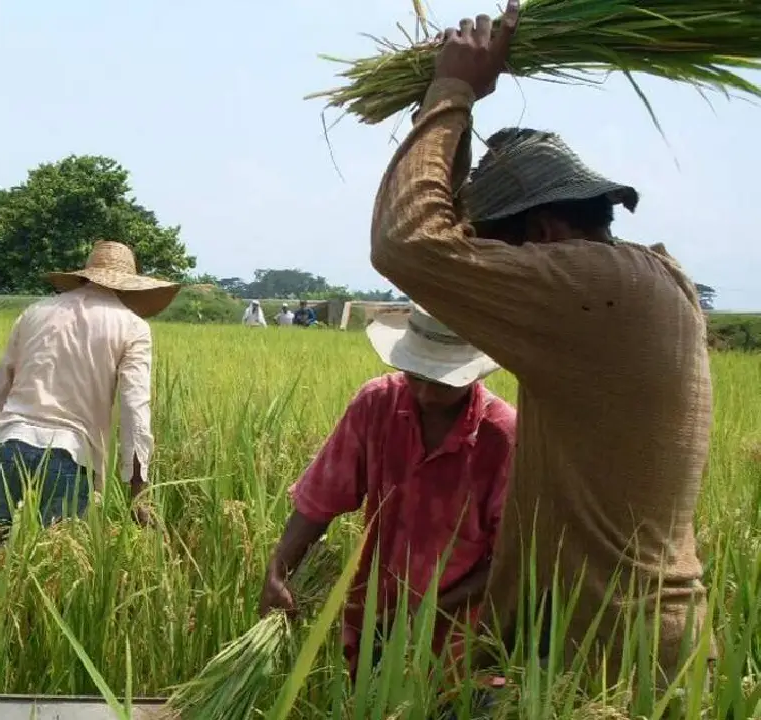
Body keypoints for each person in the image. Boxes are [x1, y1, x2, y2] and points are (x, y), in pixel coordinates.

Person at [367, 0, 712, 684]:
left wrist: (453, 88)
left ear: (546, 234)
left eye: (499, 254)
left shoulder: (591, 287)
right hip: (608, 638)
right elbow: (447, 245)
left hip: (611, 652)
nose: (488, 277)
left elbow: (407, 243)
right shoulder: (641, 285)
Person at [258, 304, 514, 679]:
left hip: (460, 640)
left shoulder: (503, 436)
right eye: (415, 375)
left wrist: (425, 613)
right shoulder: (376, 404)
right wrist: (279, 570)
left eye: (442, 381)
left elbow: (512, 560)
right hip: (373, 619)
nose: (425, 393)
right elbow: (319, 499)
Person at [0, 240, 179, 542]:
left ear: (83, 276)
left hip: (8, 442)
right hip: (71, 455)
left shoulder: (35, 312)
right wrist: (137, 490)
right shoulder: (133, 327)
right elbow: (134, 410)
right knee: (55, 565)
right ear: (129, 287)